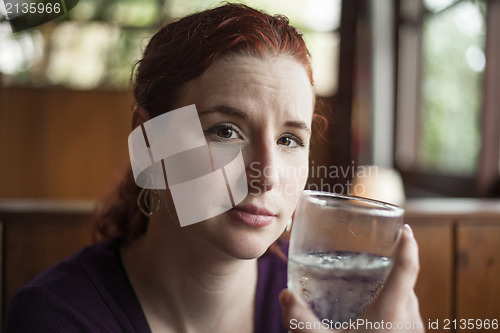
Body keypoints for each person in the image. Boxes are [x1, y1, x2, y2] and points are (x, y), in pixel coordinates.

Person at [4, 3, 423, 333]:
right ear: (149, 140)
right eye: (225, 131)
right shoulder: (55, 318)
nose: (268, 175)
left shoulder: (336, 310)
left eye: (289, 140)